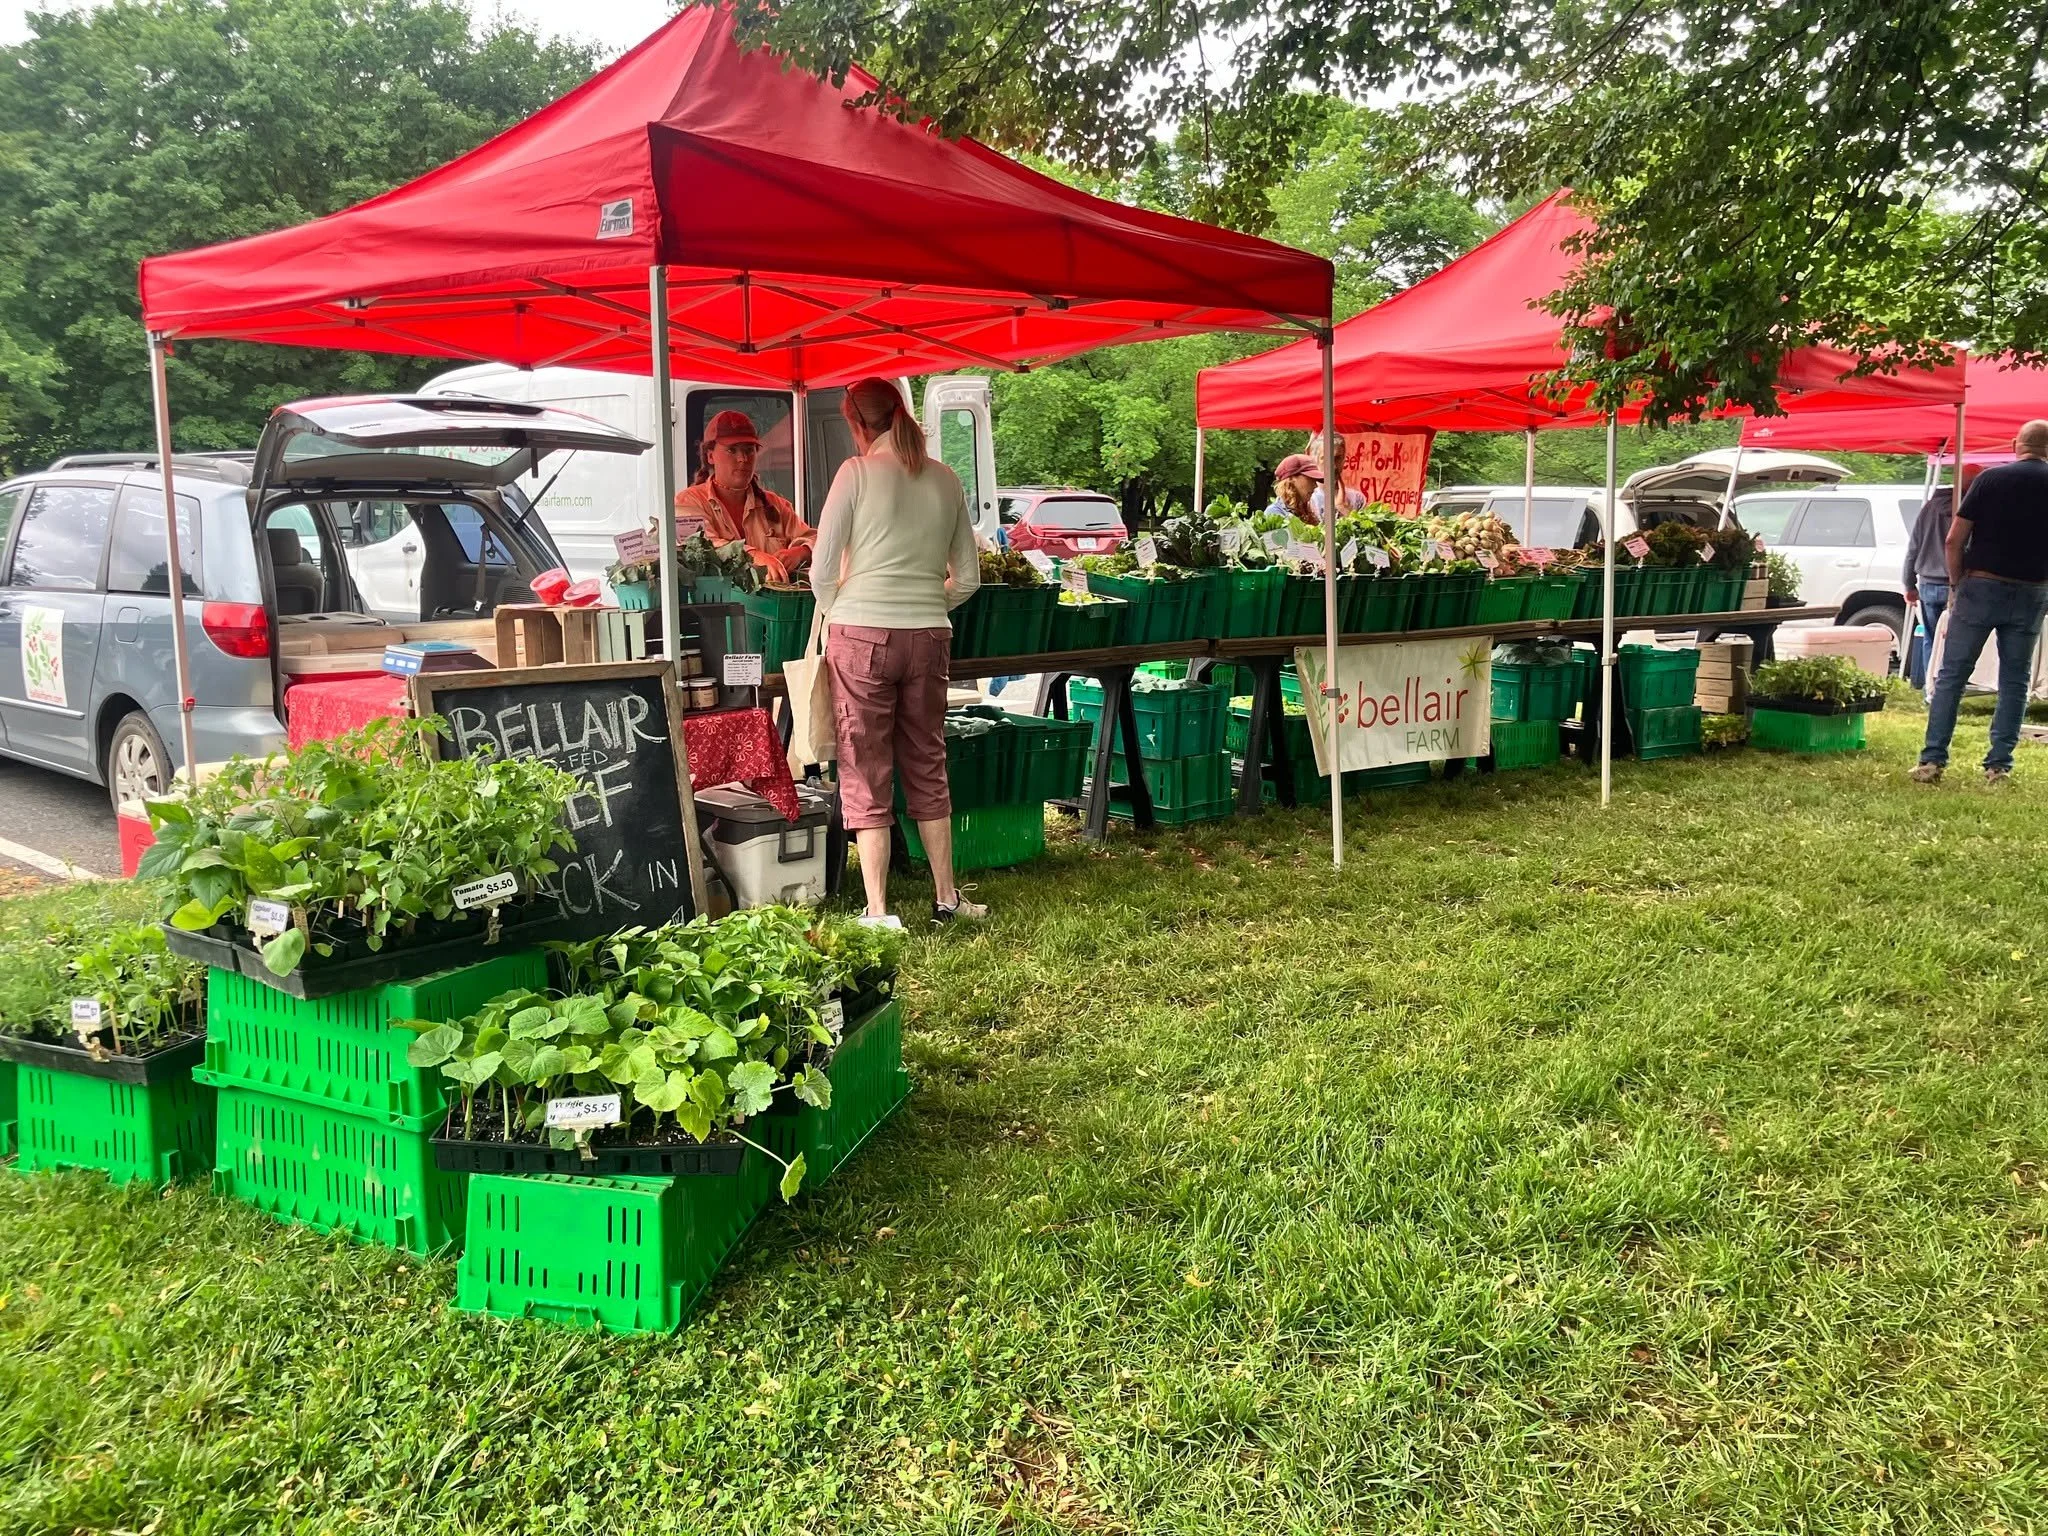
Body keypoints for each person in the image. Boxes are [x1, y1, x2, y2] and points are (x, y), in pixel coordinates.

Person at [810, 377, 985, 923]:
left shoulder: (856, 474)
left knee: (866, 768)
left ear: (857, 423)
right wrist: (926, 605)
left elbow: (820, 570)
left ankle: (879, 909)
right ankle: (947, 898)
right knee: (927, 764)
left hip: (861, 633)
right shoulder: (946, 479)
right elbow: (969, 579)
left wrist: (844, 607)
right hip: (930, 635)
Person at [1913, 420, 2048, 785]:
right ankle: (1998, 765)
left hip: (1981, 586)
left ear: (2015, 443)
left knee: (1952, 676)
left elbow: (1953, 540)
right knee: (2015, 679)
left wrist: (1957, 584)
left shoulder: (1989, 480)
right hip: (2032, 590)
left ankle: (1932, 761)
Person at [674, 410, 815, 579]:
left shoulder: (777, 505)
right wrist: (754, 555)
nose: (742, 458)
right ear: (710, 456)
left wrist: (801, 551)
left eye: (749, 450)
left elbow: (820, 540)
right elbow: (702, 546)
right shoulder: (686, 502)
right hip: (718, 605)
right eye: (732, 450)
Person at [1903, 464, 1977, 687]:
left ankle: (1930, 687)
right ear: (1972, 483)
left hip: (1927, 583)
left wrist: (1908, 583)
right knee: (1956, 640)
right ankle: (1951, 686)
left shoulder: (1929, 507)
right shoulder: (1972, 511)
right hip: (1957, 584)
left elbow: (1913, 547)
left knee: (1931, 638)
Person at [1266, 453, 1324, 524]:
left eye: (1315, 480)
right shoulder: (1274, 514)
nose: (1315, 486)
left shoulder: (1308, 512)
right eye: (1310, 479)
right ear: (1292, 478)